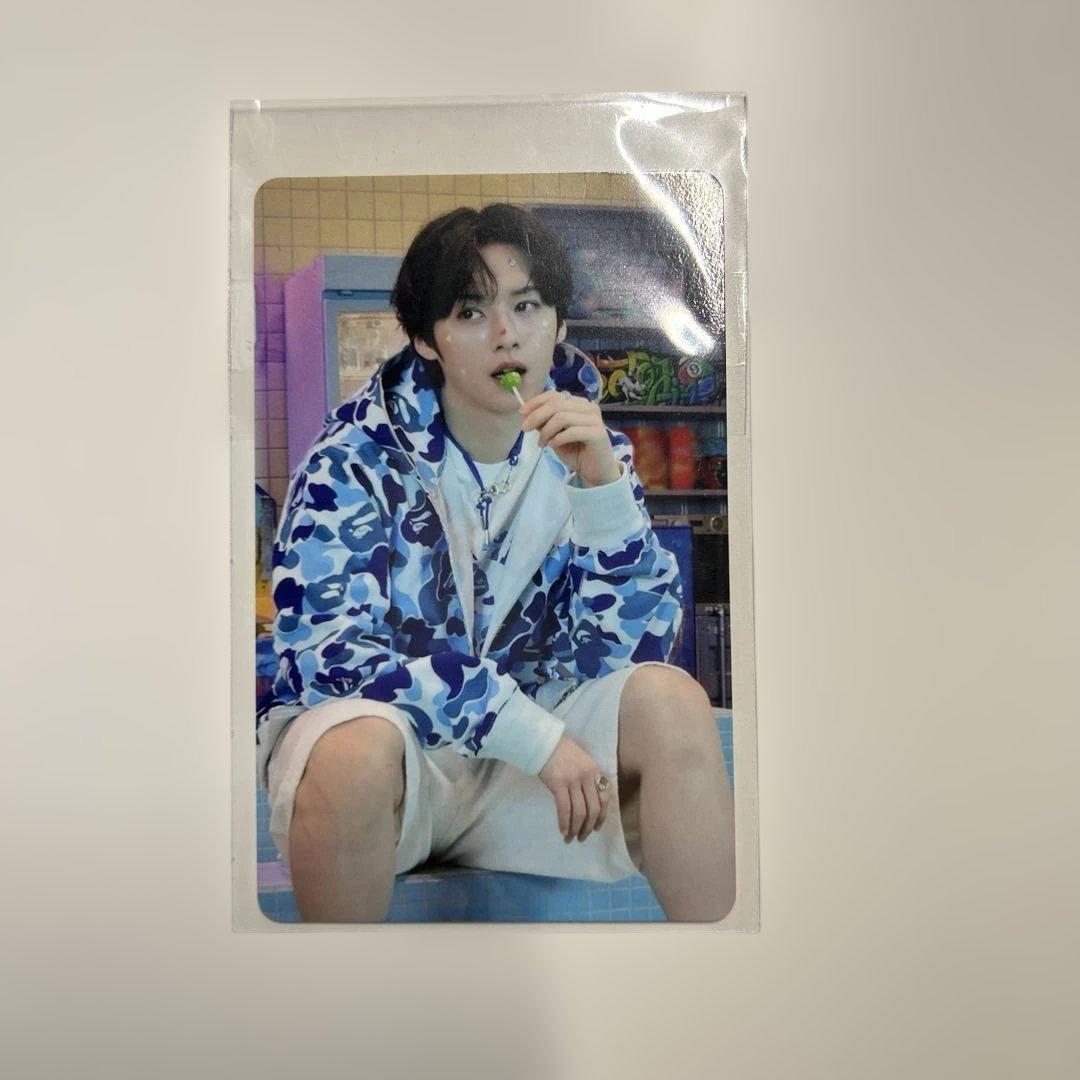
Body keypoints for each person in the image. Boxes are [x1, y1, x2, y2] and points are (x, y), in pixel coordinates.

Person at [256, 203, 735, 922]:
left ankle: (725, 974)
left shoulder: (594, 453)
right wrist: (523, 731)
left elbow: (621, 658)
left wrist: (603, 494)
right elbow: (324, 654)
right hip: (402, 772)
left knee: (672, 702)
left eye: (526, 305)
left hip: (532, 781)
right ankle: (342, 992)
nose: (506, 333)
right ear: (426, 339)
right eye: (471, 312)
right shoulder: (350, 459)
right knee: (353, 751)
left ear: (560, 324)